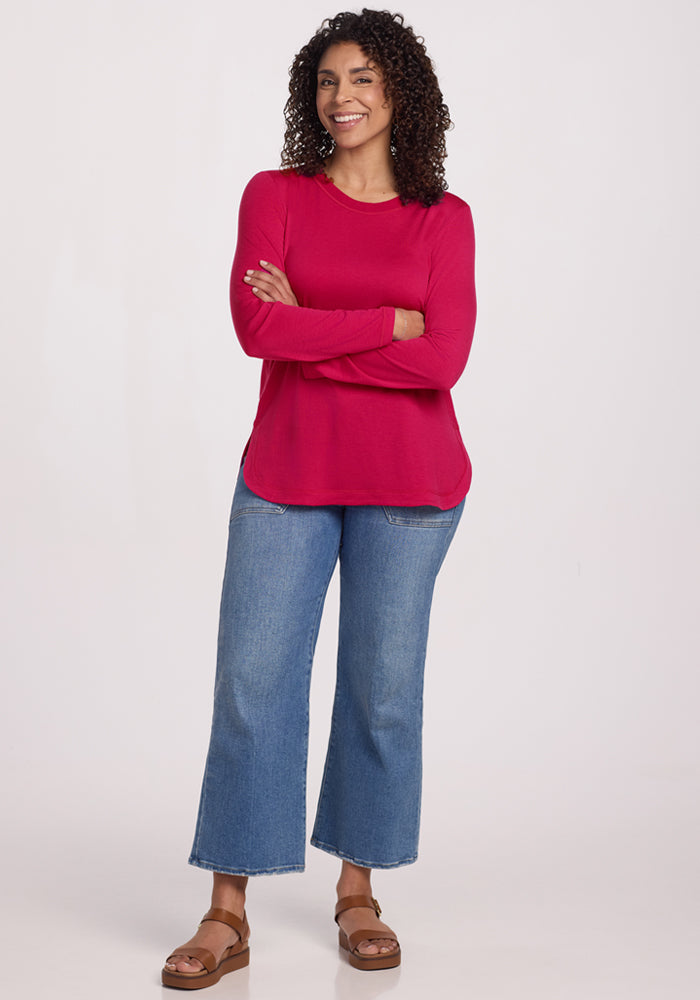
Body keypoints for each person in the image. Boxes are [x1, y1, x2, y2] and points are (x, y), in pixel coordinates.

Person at [162, 8, 476, 988]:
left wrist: (321, 327)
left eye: (363, 81)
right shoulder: (276, 197)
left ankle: (357, 890)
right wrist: (387, 318)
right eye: (328, 80)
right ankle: (226, 911)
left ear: (399, 99)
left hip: (412, 485)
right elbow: (259, 329)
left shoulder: (443, 218)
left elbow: (446, 360)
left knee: (381, 697)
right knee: (252, 691)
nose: (341, 97)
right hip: (286, 474)